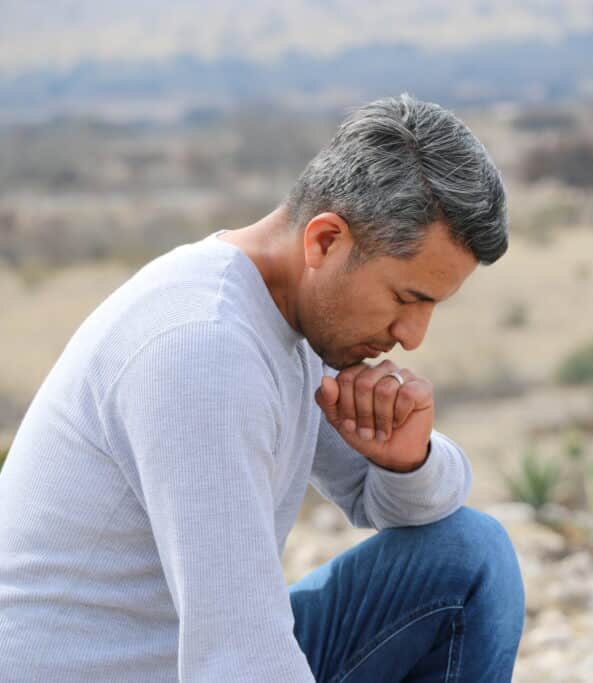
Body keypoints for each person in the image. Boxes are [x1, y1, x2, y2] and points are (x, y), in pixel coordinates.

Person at [0, 94, 525, 682]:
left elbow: (401, 507)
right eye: (407, 298)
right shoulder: (203, 350)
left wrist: (409, 462)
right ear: (325, 241)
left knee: (468, 556)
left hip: (174, 658)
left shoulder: (290, 318)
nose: (412, 336)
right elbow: (235, 660)